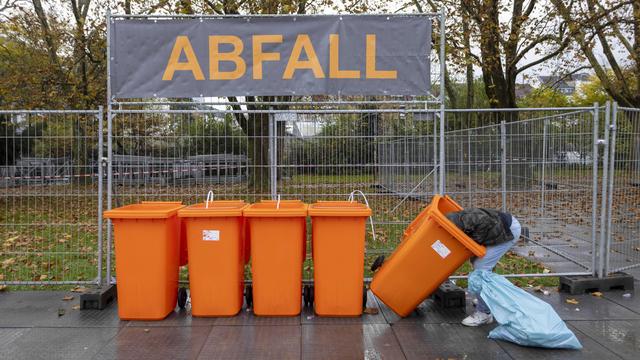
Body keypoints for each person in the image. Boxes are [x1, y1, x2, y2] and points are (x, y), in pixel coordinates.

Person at [446, 208, 522, 327]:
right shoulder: (460, 221)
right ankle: (487, 299)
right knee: (482, 265)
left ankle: (484, 313)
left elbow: (479, 235)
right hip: (500, 227)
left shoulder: (471, 220)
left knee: (481, 267)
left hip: (508, 230)